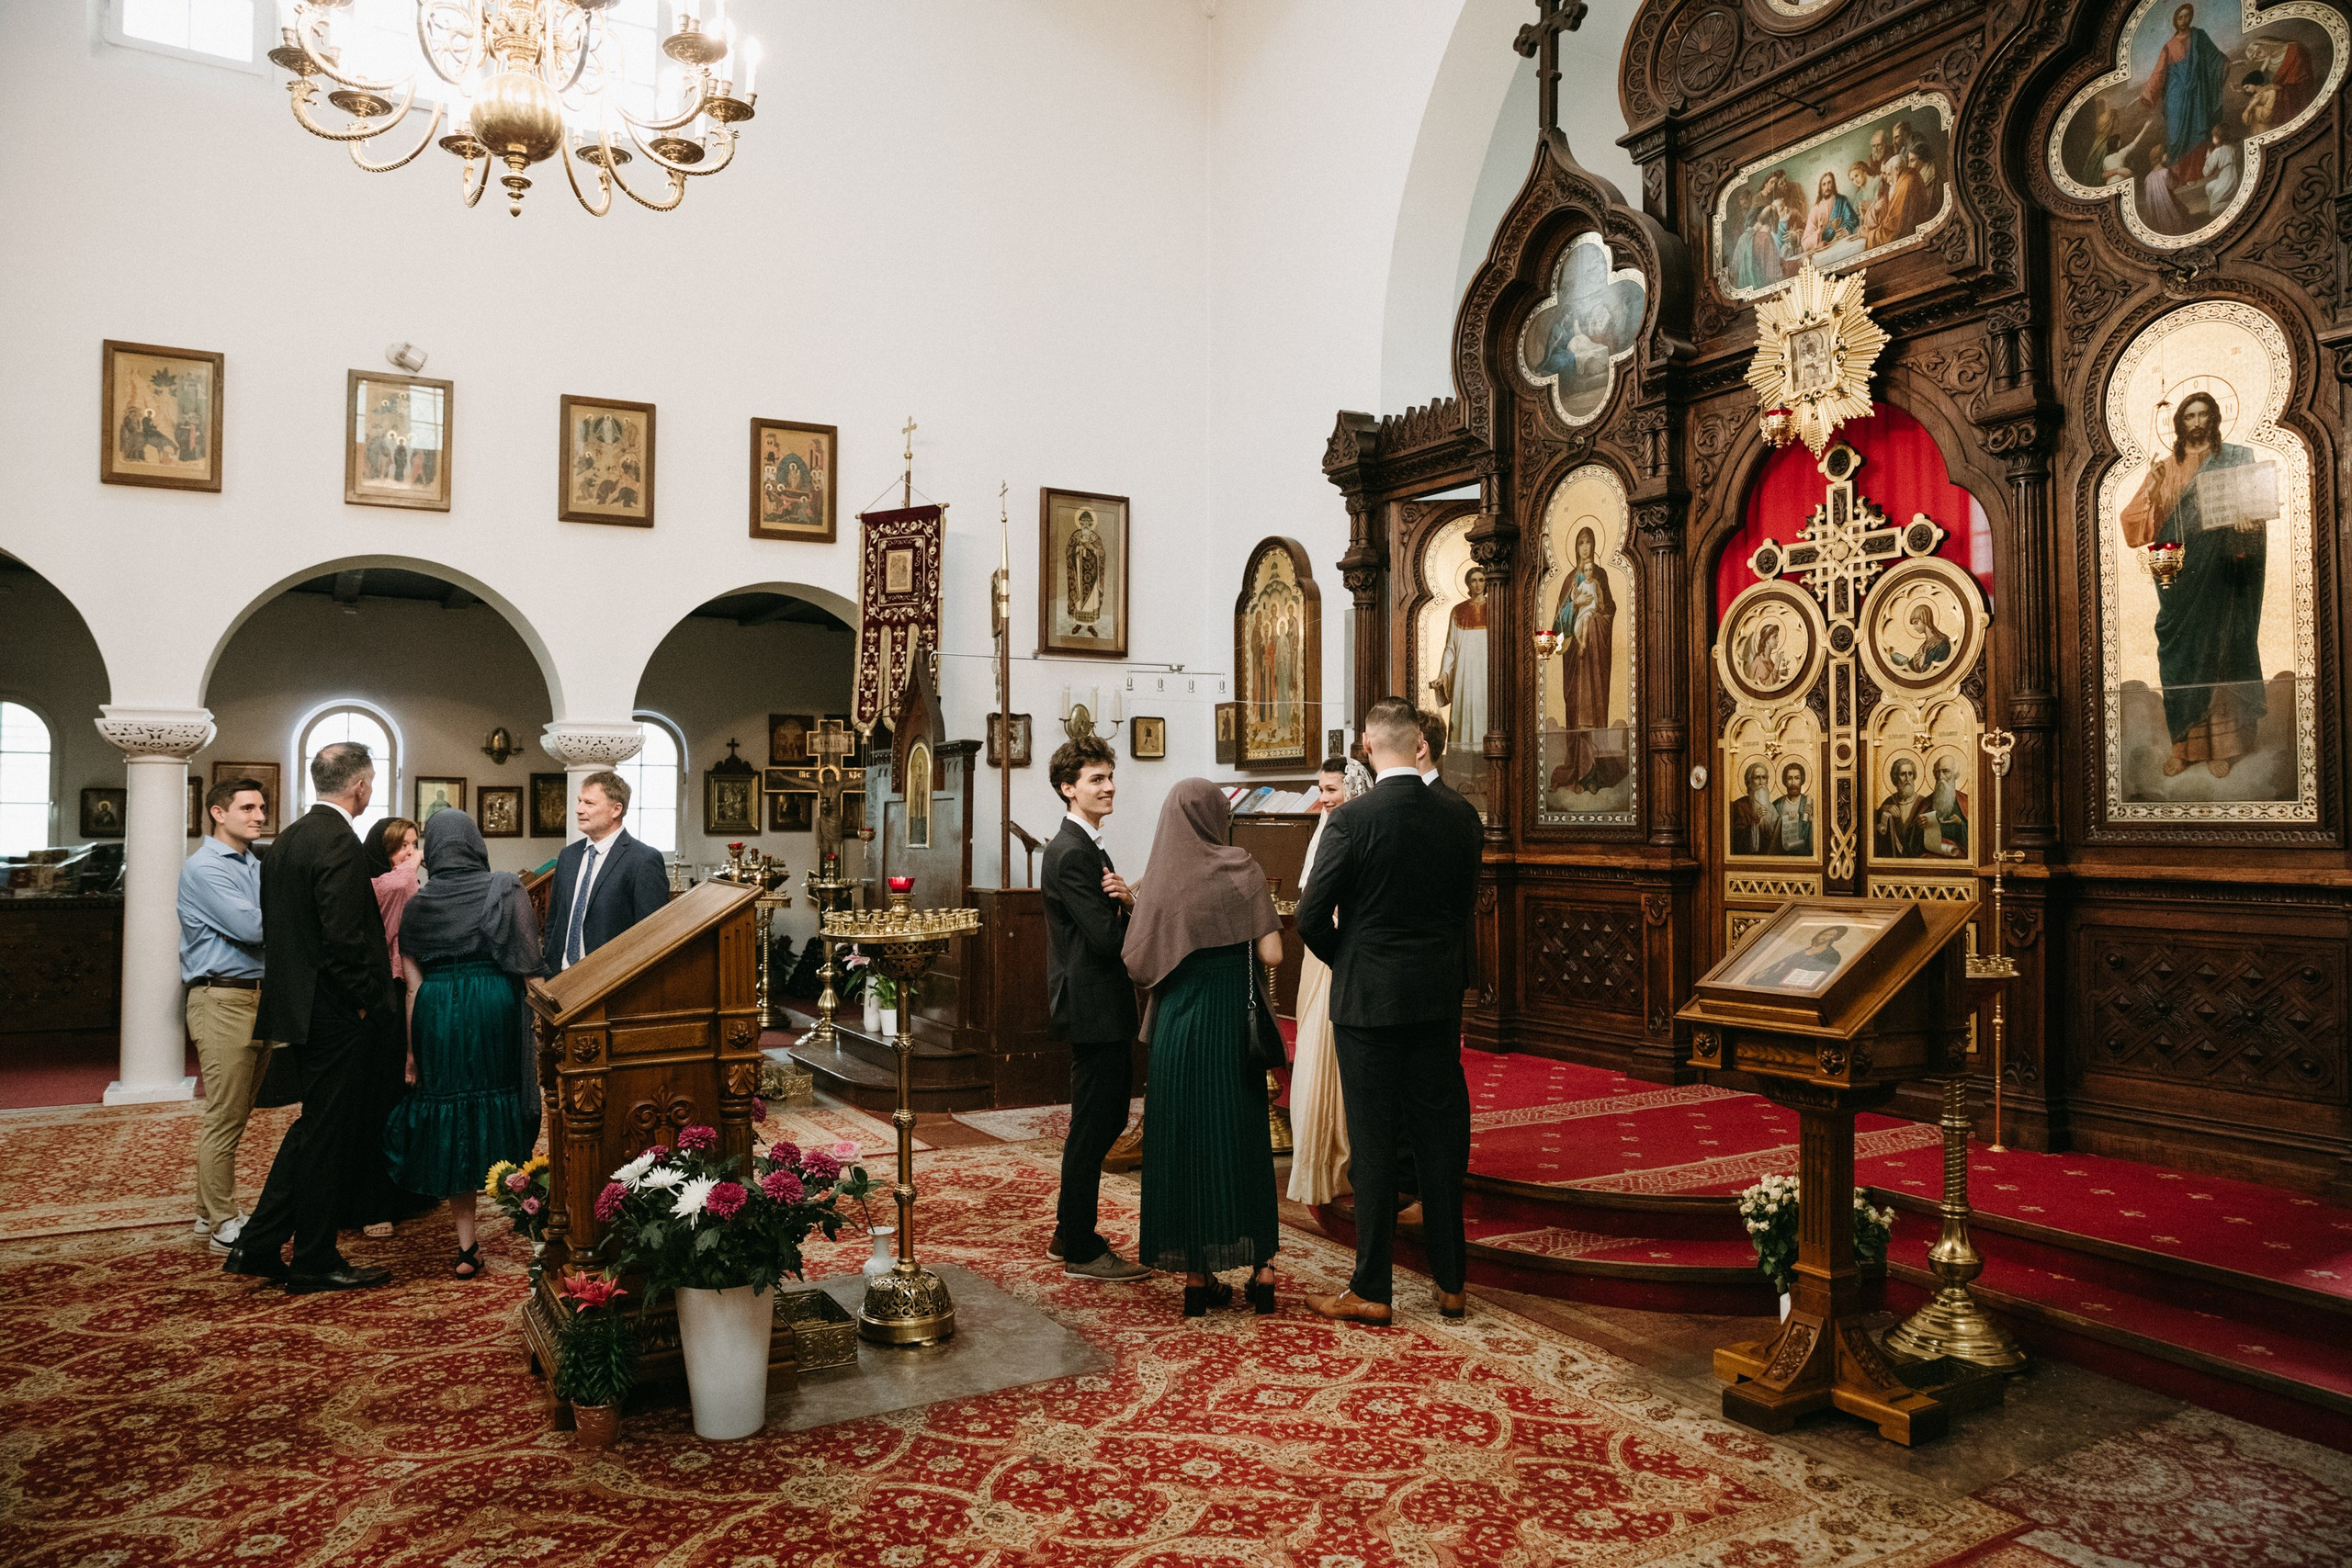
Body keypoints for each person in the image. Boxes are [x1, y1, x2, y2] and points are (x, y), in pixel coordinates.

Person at [1298, 698, 1482, 1327]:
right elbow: (1463, 911)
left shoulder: (1352, 819)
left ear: (1370, 749)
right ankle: (1453, 1284)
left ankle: (1372, 1286)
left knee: (1374, 1144)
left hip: (1368, 1003)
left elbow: (1308, 916)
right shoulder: (1462, 816)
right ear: (1419, 745)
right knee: (1438, 1136)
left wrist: (1348, 960)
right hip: (1435, 999)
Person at [224, 743, 395, 1293]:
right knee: (327, 1134)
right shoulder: (339, 842)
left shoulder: (289, 839)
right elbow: (344, 939)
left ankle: (259, 1241)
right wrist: (366, 1000)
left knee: (315, 1128)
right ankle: (315, 1257)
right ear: (362, 786)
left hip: (297, 1007)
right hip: (335, 1012)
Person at [1123, 778, 1286, 1317]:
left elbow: (1138, 963)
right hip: (1231, 1030)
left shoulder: (1161, 882)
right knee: (1243, 1140)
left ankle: (1197, 1279)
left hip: (1177, 1032)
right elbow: (1274, 953)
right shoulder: (1243, 869)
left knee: (1184, 1143)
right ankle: (1263, 1271)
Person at [383, 810, 546, 1280]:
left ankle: (466, 1246)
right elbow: (528, 966)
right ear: (475, 842)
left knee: (452, 1112)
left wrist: (413, 1053)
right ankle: (535, 1226)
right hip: (492, 1005)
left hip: (436, 1011)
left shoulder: (418, 904)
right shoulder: (504, 887)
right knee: (502, 1105)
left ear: (433, 849)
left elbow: (412, 987)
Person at [1040, 737, 1149, 1281]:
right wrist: (1128, 907)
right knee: (1094, 1125)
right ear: (1068, 788)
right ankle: (1078, 1242)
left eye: (1110, 776)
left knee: (1099, 1120)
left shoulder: (1086, 843)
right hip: (1093, 1004)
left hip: (1099, 1002)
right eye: (1095, 780)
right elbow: (1107, 942)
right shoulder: (1073, 851)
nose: (1108, 787)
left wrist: (1124, 899)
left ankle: (1070, 1233)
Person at [2120, 390, 2270, 778]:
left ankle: (2226, 746)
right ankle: (2183, 747)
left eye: (2204, 414)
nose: (2198, 422)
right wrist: (2152, 490)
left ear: (2215, 418)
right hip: (2180, 577)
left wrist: (2248, 523)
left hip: (2223, 575)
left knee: (2221, 648)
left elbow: (2255, 510)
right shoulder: (2166, 469)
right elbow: (2135, 528)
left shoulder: (2235, 459)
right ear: (2180, 423)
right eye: (2190, 416)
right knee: (2181, 655)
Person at [179, 777, 273, 1255]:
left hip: (255, 997)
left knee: (237, 1113)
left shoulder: (252, 863)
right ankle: (221, 1220)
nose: (259, 815)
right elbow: (251, 927)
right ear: (219, 813)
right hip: (222, 998)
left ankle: (204, 1212)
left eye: (262, 807)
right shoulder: (205, 867)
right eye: (248, 808)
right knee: (225, 1114)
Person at [1286, 756, 1373, 1207]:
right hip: (1321, 953)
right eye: (1320, 789)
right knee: (1315, 1045)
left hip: (1342, 951)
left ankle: (1340, 1155)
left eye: (1332, 790)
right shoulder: (1325, 830)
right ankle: (1316, 1153)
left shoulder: (1358, 831)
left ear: (1354, 790)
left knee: (1333, 1049)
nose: (1323, 798)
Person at [351, 817, 424, 1239]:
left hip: (400, 995)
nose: (409, 854)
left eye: (414, 844)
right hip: (376, 999)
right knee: (375, 1100)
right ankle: (372, 1201)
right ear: (381, 850)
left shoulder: (400, 881)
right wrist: (410, 867)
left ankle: (400, 1191)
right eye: (400, 846)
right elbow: (399, 888)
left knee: (401, 1098)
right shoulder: (381, 883)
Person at [540, 770, 670, 975]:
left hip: (609, 983)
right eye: (579, 801)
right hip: (560, 977)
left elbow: (651, 935)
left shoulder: (643, 859)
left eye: (589, 804)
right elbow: (554, 921)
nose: (578, 809)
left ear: (616, 809)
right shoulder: (568, 856)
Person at [1550, 527, 1620, 794]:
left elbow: (1609, 608)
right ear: (1575, 547)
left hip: (1595, 656)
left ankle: (1593, 776)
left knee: (1592, 714)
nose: (1585, 547)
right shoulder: (1570, 578)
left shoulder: (1599, 574)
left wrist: (1593, 619)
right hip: (1575, 661)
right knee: (1576, 713)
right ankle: (1577, 772)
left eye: (1589, 542)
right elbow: (1559, 621)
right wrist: (1574, 606)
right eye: (1580, 543)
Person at [1729, 762, 1778, 855]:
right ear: (1749, 782)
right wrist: (1755, 822)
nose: (1761, 782)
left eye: (1764, 777)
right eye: (1757, 777)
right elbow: (1737, 839)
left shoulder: (1771, 807)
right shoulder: (1739, 806)